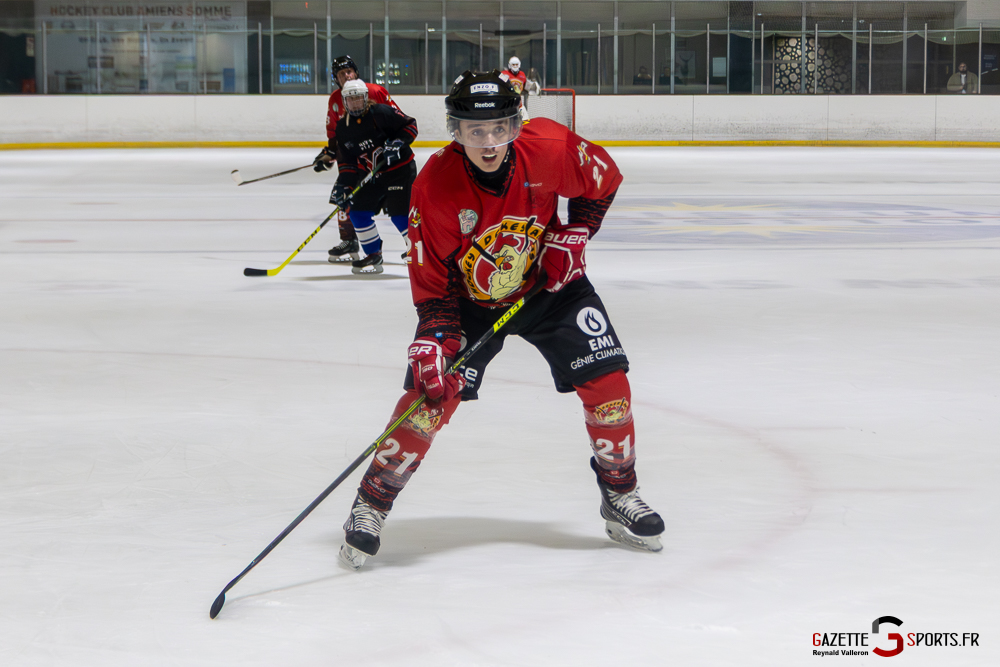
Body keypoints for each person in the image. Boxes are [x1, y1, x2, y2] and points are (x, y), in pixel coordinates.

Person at [338, 70, 664, 570]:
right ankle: (371, 504)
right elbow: (436, 285)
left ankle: (620, 493)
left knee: (609, 380)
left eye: (499, 129)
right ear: (455, 130)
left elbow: (604, 179)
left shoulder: (551, 147)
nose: (488, 143)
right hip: (469, 303)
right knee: (428, 399)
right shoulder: (435, 186)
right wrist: (435, 340)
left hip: (551, 284)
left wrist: (574, 234)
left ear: (516, 124)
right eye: (474, 131)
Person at [315, 55, 402, 263]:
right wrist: (329, 153)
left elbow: (397, 119)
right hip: (356, 160)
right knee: (343, 195)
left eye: (349, 72)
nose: (346, 76)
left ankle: (415, 243)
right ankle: (349, 240)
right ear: (336, 79)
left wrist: (391, 145)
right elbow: (336, 134)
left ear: (356, 73)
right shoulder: (336, 99)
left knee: (400, 206)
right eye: (341, 74)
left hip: (382, 160)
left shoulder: (375, 92)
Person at [331, 79, 418, 274]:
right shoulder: (343, 128)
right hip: (372, 175)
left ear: (365, 98)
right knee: (357, 211)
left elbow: (410, 125)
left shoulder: (381, 113)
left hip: (400, 172)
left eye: (358, 98)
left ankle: (417, 251)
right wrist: (344, 186)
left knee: (399, 213)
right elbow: (347, 162)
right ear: (345, 101)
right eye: (350, 99)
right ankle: (373, 254)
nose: (355, 103)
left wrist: (398, 143)